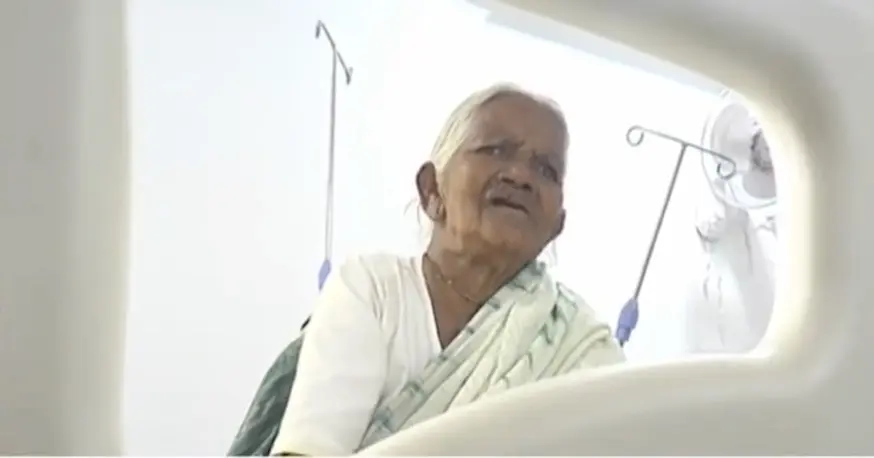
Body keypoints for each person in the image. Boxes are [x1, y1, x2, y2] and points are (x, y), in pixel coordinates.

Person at [270, 83, 626, 456]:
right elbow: (310, 449)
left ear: (556, 225)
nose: (521, 176)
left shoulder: (579, 343)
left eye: (546, 169)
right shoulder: (375, 289)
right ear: (432, 189)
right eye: (496, 150)